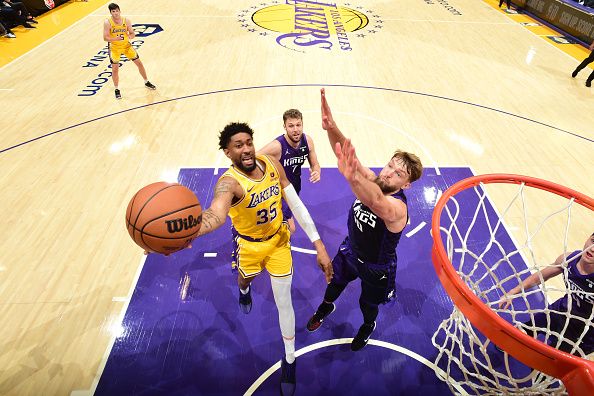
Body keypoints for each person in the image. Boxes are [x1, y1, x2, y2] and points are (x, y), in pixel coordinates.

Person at [195, 122, 333, 395]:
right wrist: (184, 232)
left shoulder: (270, 163)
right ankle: (244, 290)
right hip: (249, 246)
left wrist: (319, 244)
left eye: (248, 142)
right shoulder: (229, 182)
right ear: (227, 152)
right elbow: (215, 215)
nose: (246, 149)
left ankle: (290, 359)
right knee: (244, 279)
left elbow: (296, 204)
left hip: (279, 242)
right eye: (238, 145)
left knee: (285, 302)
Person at [306, 89, 423, 351]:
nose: (390, 172)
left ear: (407, 184)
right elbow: (346, 154)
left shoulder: (397, 209)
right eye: (391, 165)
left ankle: (367, 326)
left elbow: (375, 201)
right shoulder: (373, 178)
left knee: (367, 305)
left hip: (376, 266)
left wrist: (352, 177)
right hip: (350, 251)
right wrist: (331, 126)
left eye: (398, 173)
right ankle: (326, 306)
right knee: (333, 284)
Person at [498, 233, 594, 356]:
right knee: (527, 328)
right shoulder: (569, 259)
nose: (592, 248)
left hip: (583, 331)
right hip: (561, 309)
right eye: (592, 241)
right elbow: (539, 277)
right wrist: (512, 292)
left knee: (552, 363)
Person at [257, 109, 322, 234]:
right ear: (285, 127)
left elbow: (315, 164)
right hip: (278, 191)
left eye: (298, 125)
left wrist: (316, 171)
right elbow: (253, 158)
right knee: (290, 228)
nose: (295, 129)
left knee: (284, 229)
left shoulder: (307, 141)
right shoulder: (277, 146)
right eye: (291, 126)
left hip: (294, 189)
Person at [103, 3, 156, 99]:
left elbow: (132, 33)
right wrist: (116, 39)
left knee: (139, 63)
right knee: (115, 69)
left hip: (126, 46)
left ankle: (146, 81)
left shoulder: (126, 20)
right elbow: (105, 37)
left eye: (117, 11)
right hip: (114, 48)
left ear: (120, 11)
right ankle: (116, 89)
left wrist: (130, 36)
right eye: (113, 11)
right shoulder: (108, 22)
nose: (115, 13)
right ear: (110, 13)